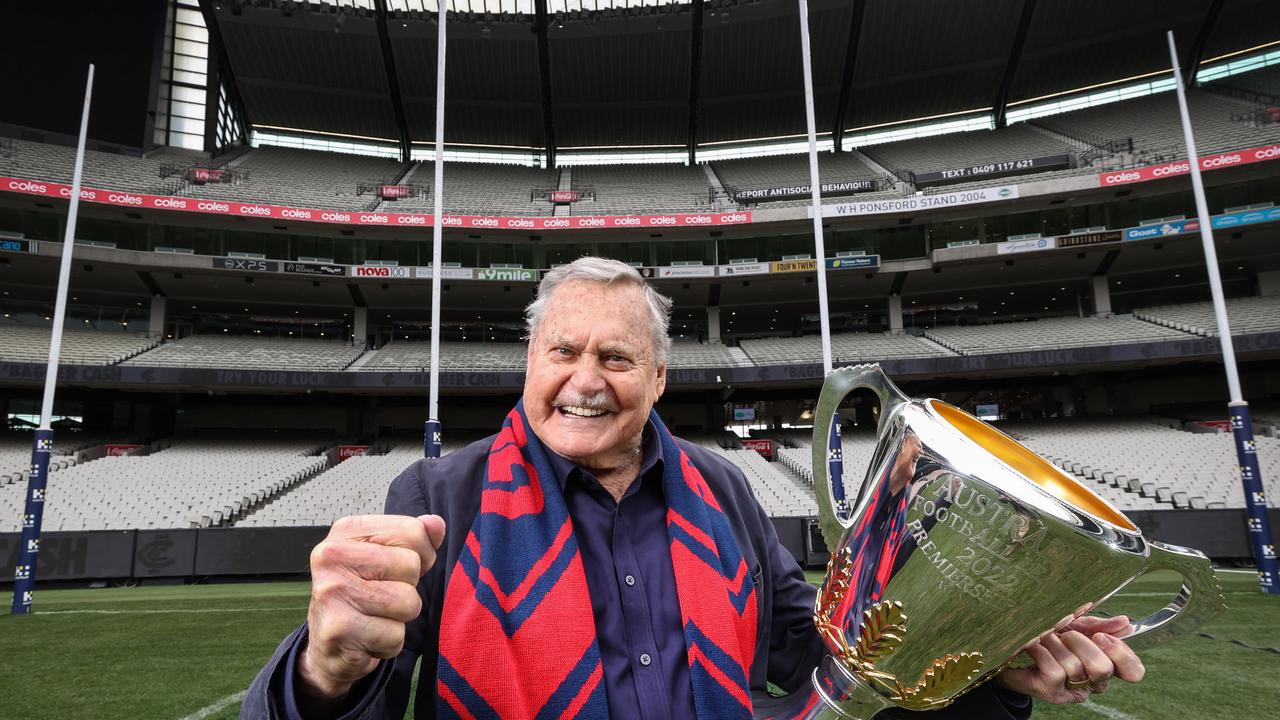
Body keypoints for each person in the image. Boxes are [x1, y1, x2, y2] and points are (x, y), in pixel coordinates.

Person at [242, 257, 1145, 719]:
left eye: (616, 356)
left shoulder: (725, 490)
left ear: (661, 379)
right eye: (561, 351)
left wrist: (989, 667)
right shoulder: (444, 492)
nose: (583, 378)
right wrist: (325, 668)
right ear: (529, 361)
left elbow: (816, 664)